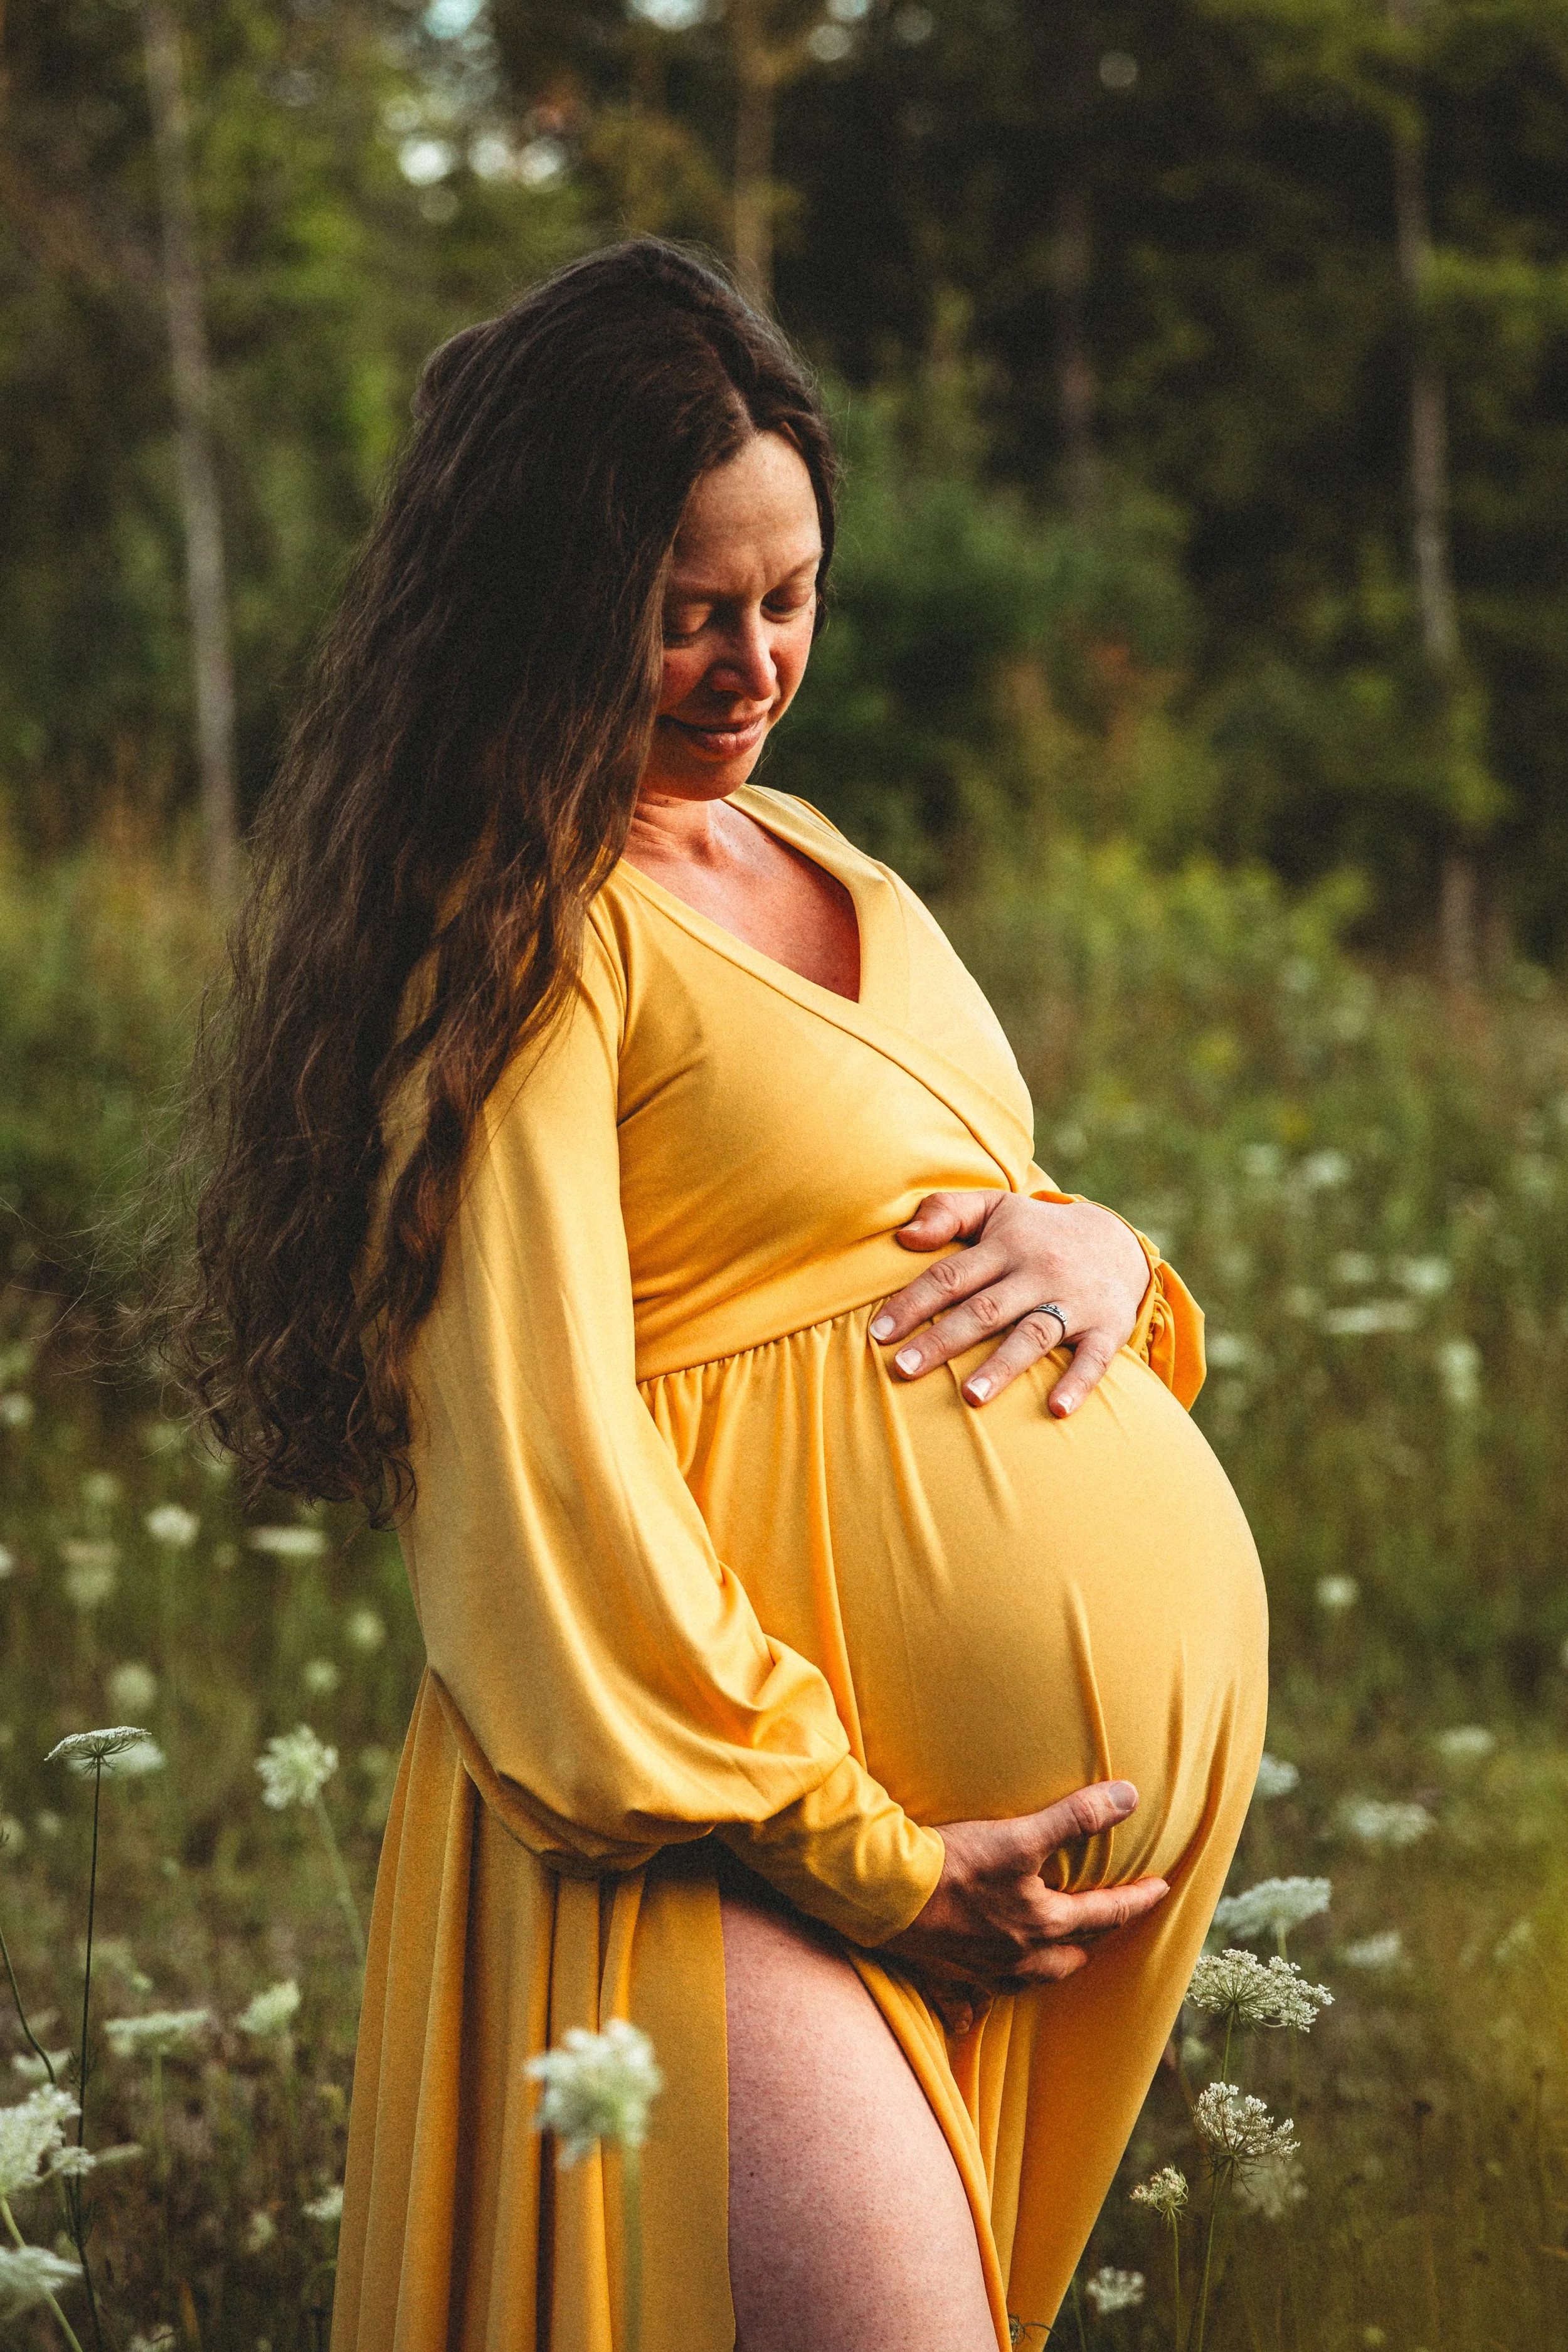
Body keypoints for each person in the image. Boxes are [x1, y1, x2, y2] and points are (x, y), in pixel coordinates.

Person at [181, 239, 1268, 2352]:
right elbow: (536, 1476)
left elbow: (974, 1231)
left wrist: (1118, 1259)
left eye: (788, 597)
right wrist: (858, 1846)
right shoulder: (527, 934)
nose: (751, 660)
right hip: (723, 1859)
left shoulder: (836, 863)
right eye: (691, 612)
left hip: (920, 1856)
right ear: (548, 602)